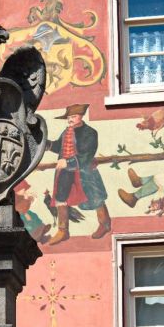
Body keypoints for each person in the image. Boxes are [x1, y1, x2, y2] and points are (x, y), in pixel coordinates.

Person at [46, 103, 110, 244]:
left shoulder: (90, 133)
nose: (70, 119)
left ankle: (105, 224)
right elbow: (59, 147)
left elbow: (87, 155)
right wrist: (48, 145)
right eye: (69, 117)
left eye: (73, 116)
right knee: (61, 197)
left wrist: (68, 162)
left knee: (96, 197)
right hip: (66, 171)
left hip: (84, 170)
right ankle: (63, 231)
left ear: (81, 116)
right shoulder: (67, 132)